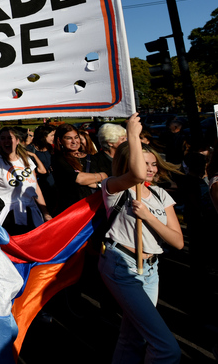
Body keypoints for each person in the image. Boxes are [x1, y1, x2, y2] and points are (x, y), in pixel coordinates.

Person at [99, 114, 183, 363]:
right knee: (166, 349)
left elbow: (177, 242)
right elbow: (135, 175)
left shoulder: (160, 194)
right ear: (130, 162)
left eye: (154, 164)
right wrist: (132, 135)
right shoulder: (114, 187)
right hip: (121, 266)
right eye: (145, 163)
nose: (150, 169)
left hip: (150, 270)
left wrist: (148, 217)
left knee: (132, 337)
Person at [0, 127, 52, 234]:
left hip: (30, 213)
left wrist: (45, 212)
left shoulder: (26, 159)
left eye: (9, 138)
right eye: (3, 138)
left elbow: (36, 187)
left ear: (17, 141)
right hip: (8, 216)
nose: (6, 141)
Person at [51, 124, 108, 214]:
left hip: (97, 208)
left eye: (76, 137)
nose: (74, 141)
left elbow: (107, 176)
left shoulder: (93, 158)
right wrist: (100, 176)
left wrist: (96, 184)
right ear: (60, 141)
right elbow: (79, 179)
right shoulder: (58, 159)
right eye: (69, 138)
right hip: (74, 211)